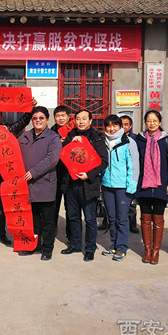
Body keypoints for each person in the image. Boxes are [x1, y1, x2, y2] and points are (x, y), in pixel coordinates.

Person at [0, 99, 35, 246]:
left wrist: (31, 107)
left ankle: (0, 233)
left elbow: (24, 121)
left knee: (1, 204)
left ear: (1, 116)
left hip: (3, 173)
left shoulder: (9, 128)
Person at [61, 109, 108, 262]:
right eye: (78, 119)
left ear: (90, 121)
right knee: (73, 216)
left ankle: (90, 248)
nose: (81, 121)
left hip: (88, 184)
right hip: (71, 184)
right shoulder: (70, 135)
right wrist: (70, 142)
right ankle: (75, 244)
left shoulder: (97, 138)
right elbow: (62, 154)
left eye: (84, 118)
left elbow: (103, 162)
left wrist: (89, 174)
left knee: (90, 219)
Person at [18, 106, 62, 261]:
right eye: (35, 118)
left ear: (47, 120)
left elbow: (52, 159)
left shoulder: (53, 137)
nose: (38, 121)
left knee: (48, 220)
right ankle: (33, 246)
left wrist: (34, 172)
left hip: (45, 185)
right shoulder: (25, 136)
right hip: (27, 186)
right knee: (33, 220)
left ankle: (47, 248)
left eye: (41, 118)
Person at [134, 110, 168, 265]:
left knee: (158, 219)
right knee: (145, 219)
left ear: (159, 122)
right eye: (149, 121)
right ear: (145, 122)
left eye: (154, 121)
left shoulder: (165, 140)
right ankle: (147, 250)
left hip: (161, 184)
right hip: (143, 184)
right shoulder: (139, 139)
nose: (151, 123)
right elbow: (135, 161)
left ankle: (155, 251)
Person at [100, 115, 137, 262]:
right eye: (109, 126)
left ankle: (121, 247)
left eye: (115, 125)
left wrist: (131, 186)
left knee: (122, 218)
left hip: (123, 187)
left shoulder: (128, 142)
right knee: (112, 217)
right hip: (107, 185)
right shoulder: (103, 142)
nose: (112, 128)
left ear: (120, 126)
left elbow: (134, 166)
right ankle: (113, 245)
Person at [51, 105, 72, 239]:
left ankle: (71, 236)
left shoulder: (74, 131)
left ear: (68, 117)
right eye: (58, 116)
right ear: (54, 118)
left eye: (63, 115)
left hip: (71, 175)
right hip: (55, 174)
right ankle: (51, 234)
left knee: (71, 208)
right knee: (53, 207)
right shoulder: (50, 133)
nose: (61, 118)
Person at [120, 115, 140, 233]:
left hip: (131, 174)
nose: (123, 127)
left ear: (130, 126)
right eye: (121, 124)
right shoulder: (113, 138)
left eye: (126, 124)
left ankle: (132, 224)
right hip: (118, 174)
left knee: (131, 203)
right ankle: (106, 222)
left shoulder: (136, 139)